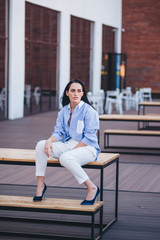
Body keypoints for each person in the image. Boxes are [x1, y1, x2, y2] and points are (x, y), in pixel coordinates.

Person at [33, 79, 101, 205]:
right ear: (67, 93)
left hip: (88, 147)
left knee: (65, 157)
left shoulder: (89, 111)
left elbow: (89, 137)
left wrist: (72, 150)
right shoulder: (64, 111)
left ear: (82, 94)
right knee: (40, 145)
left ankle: (92, 188)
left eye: (79, 91)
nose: (76, 93)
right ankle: (40, 185)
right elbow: (58, 132)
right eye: (73, 91)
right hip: (69, 145)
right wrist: (49, 140)